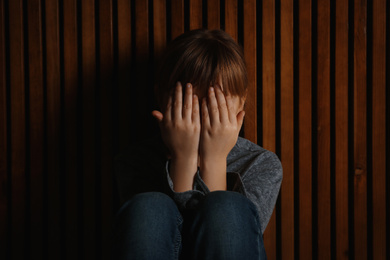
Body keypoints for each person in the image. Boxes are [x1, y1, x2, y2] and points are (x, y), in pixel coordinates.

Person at [113, 29, 282, 260]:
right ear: (162, 98)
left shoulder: (261, 164)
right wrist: (184, 158)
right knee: (148, 206)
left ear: (241, 100)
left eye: (215, 104)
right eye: (188, 104)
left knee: (227, 208)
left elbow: (234, 240)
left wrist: (214, 159)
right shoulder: (135, 162)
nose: (202, 117)